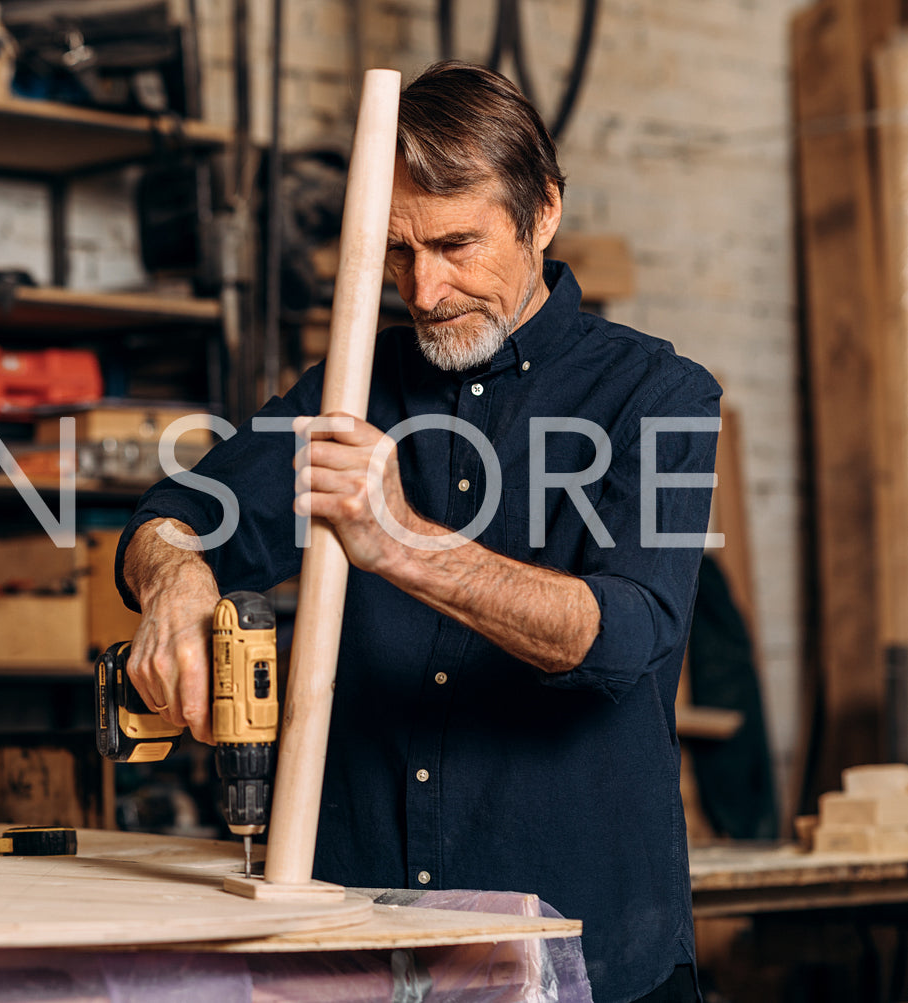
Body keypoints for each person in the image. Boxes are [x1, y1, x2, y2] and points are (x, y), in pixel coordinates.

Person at [114, 61, 718, 1003]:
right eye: (395, 251)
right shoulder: (348, 386)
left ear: (542, 213)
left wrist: (400, 541)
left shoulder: (657, 396)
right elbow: (173, 515)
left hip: (586, 961)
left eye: (456, 245)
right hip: (366, 950)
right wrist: (177, 580)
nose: (425, 289)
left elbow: (622, 638)